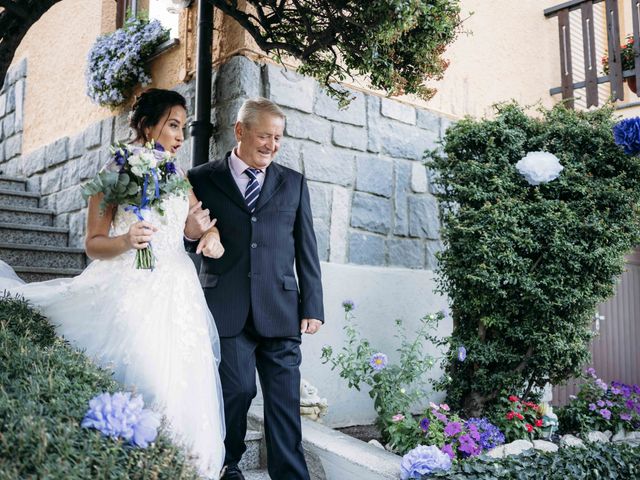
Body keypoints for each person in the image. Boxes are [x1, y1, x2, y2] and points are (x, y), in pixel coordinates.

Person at [0, 89, 226, 479]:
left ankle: (185, 468)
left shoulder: (177, 173)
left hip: (178, 290)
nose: (179, 135)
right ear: (145, 125)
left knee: (186, 386)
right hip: (130, 288)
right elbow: (93, 243)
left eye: (183, 127)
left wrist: (207, 236)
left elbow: (195, 222)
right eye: (173, 125)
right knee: (150, 379)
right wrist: (126, 241)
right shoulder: (113, 173)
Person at [185, 97, 324, 480]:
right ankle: (226, 464)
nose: (272, 145)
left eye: (278, 138)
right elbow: (184, 239)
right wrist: (191, 234)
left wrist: (313, 305)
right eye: (264, 135)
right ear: (240, 130)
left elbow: (305, 247)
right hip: (225, 308)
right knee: (236, 391)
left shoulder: (293, 182)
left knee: (284, 403)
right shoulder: (201, 178)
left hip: (281, 308)